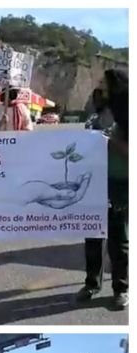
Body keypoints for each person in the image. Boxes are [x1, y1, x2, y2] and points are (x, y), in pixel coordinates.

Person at [77, 69, 129, 310]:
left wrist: (109, 140)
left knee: (118, 240)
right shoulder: (99, 112)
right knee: (92, 237)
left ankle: (121, 289)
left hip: (120, 183)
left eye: (102, 82)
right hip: (94, 181)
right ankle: (91, 284)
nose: (98, 86)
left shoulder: (128, 114)